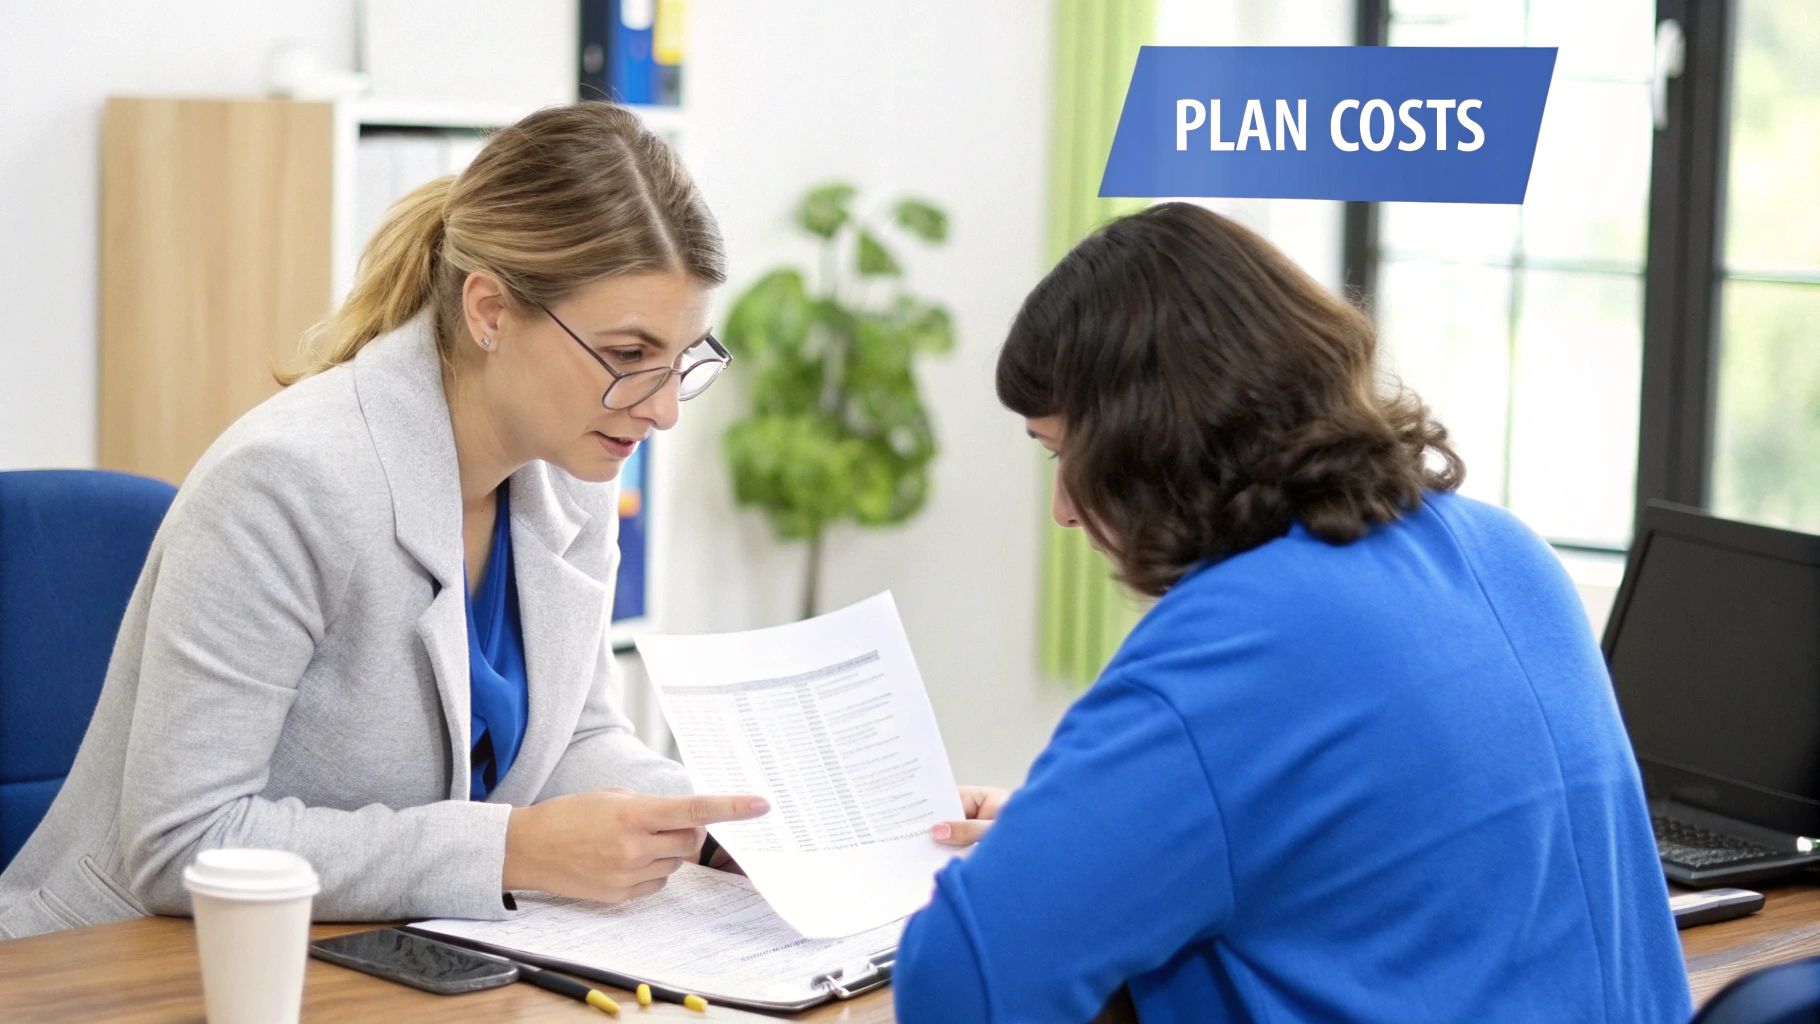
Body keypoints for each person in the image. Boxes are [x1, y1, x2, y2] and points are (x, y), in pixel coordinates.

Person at [901, 202, 1691, 1022]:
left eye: (1069, 455)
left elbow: (962, 980)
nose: (1064, 508)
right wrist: (1067, 845)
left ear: (1151, 438)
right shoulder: (1508, 551)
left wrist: (1030, 879)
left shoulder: (1237, 644)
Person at [0, 102, 768, 939]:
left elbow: (574, 741)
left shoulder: (572, 467)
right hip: (124, 963)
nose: (662, 412)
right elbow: (185, 842)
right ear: (489, 312)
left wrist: (717, 823)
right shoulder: (288, 485)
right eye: (627, 358)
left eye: (681, 360)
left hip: (373, 950)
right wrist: (513, 852)